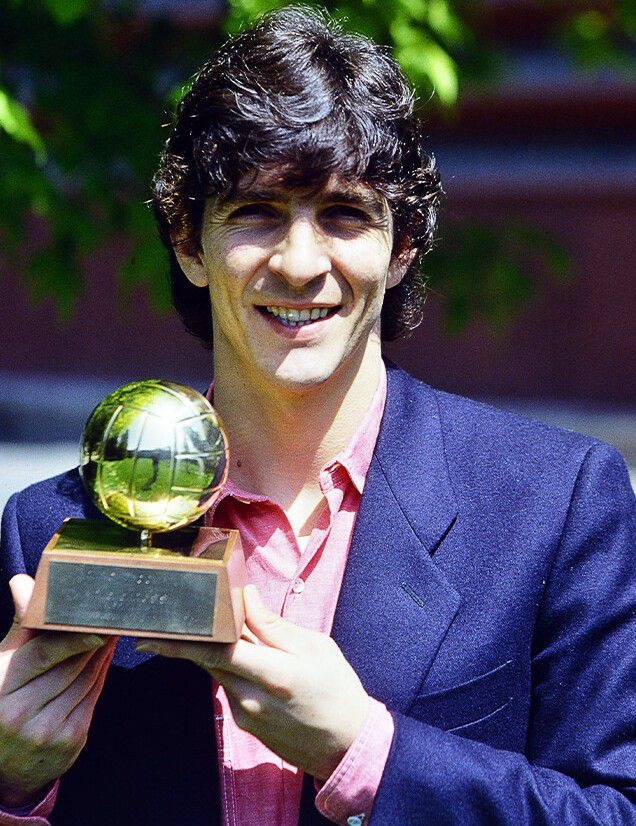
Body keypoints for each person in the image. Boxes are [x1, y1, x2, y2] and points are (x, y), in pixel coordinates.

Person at [0, 6, 634, 825]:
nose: (300, 265)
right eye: (256, 213)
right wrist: (14, 785)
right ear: (188, 244)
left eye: (344, 214)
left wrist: (365, 753)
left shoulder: (556, 504)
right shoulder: (51, 526)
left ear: (403, 243)